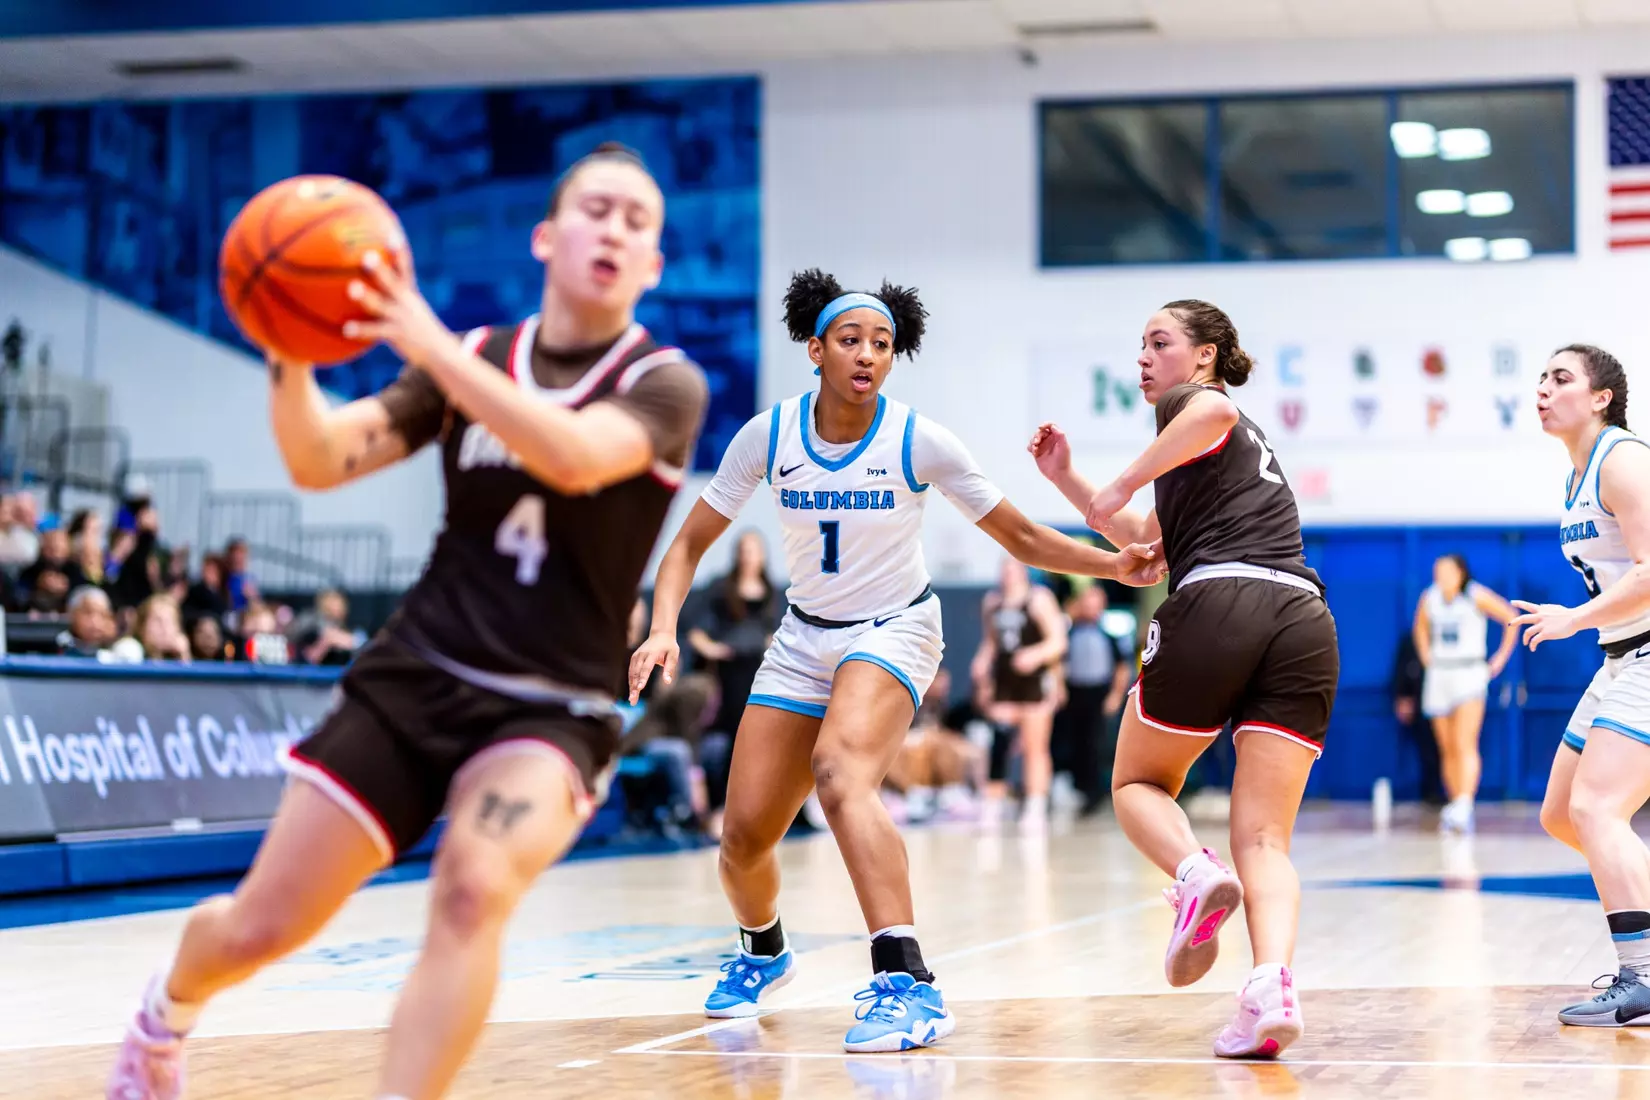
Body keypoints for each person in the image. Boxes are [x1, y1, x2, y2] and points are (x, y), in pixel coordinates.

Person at [105, 142, 708, 1100]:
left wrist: (422, 336)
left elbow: (574, 457)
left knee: (473, 888)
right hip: (418, 671)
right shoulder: (470, 360)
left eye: (639, 222)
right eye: (598, 210)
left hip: (551, 708)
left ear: (653, 266)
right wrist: (287, 347)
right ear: (547, 238)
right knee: (261, 926)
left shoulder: (664, 385)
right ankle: (160, 1019)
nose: (617, 229)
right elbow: (318, 460)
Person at [629, 268, 1163, 1054]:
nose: (868, 355)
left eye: (882, 344)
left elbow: (1018, 537)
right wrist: (662, 625)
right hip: (803, 636)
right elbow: (688, 545)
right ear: (815, 349)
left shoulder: (918, 439)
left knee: (841, 775)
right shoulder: (770, 436)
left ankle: (906, 983)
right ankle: (763, 950)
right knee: (742, 838)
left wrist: (1114, 567)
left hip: (895, 629)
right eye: (851, 340)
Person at [1031, 298, 1339, 1059]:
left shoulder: (1195, 406)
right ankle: (1270, 986)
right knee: (1264, 837)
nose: (1143, 358)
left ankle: (1194, 874)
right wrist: (1072, 480)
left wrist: (1121, 482)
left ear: (1203, 356)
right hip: (1304, 621)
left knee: (1136, 784)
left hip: (1224, 602)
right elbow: (1142, 545)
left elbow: (1208, 416)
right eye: (1139, 344)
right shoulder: (1211, 466)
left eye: (1158, 342)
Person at [1517, 345, 1650, 1027]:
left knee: (1599, 807)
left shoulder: (1623, 458)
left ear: (1600, 397)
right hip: (1619, 659)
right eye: (1541, 378)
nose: (1543, 389)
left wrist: (1574, 618)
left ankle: (1643, 977)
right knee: (1563, 814)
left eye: (1560, 379)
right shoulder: (1576, 474)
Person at [1411, 553, 1517, 832]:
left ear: (1460, 573)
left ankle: (1465, 804)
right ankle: (1455, 801)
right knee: (1446, 747)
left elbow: (1510, 616)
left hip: (1469, 672)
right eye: (1437, 571)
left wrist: (1499, 659)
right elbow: (1419, 629)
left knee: (1464, 742)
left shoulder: (1475, 595)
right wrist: (1426, 657)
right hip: (1440, 672)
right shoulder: (1429, 597)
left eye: (1446, 571)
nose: (1441, 576)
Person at [971, 558, 1067, 830]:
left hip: (1034, 681)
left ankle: (1035, 806)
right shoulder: (992, 602)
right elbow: (991, 641)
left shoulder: (1039, 599)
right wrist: (981, 661)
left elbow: (1057, 641)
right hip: (1004, 680)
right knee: (998, 743)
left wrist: (1035, 656)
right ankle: (993, 805)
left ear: (1024, 572)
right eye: (1004, 570)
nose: (1008, 575)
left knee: (1035, 747)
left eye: (1013, 569)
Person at [1059, 582, 1135, 816]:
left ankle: (1099, 793)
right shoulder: (1068, 634)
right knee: (1076, 745)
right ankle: (1081, 790)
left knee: (1098, 745)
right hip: (1074, 694)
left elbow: (1122, 668)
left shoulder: (1110, 637)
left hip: (1100, 695)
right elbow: (1060, 663)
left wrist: (1114, 696)